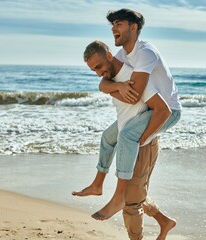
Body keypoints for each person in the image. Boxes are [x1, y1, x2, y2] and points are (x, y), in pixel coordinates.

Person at [74, 40, 177, 240]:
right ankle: (164, 222)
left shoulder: (134, 78)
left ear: (111, 56)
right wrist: (113, 86)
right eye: (93, 69)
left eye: (99, 66)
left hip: (139, 140)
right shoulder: (114, 78)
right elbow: (102, 85)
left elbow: (163, 109)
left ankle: (119, 200)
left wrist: (144, 138)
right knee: (137, 195)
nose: (98, 72)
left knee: (131, 203)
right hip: (131, 136)